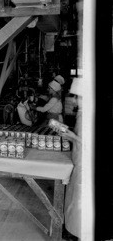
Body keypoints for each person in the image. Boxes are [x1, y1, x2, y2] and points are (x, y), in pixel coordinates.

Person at [57, 78, 82, 239]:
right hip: (79, 158)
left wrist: (73, 136)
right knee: (75, 198)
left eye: (77, 97)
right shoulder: (81, 113)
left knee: (80, 201)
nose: (74, 100)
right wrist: (71, 135)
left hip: (86, 163)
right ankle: (74, 231)